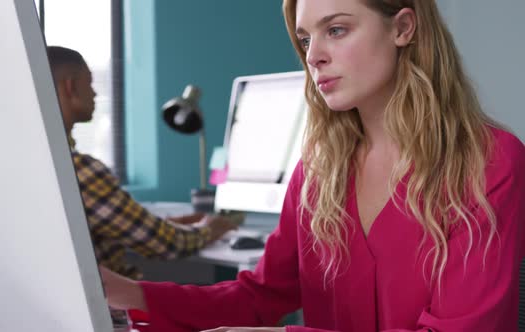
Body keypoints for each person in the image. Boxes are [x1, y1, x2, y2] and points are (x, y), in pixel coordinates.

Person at [99, 0, 525, 331]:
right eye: (305, 39)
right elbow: (260, 298)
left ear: (402, 28)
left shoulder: (489, 162)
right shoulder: (317, 173)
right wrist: (132, 293)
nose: (313, 55)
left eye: (336, 30)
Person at [46, 46, 238, 280]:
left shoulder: (42, 165)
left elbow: (122, 228)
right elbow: (167, 244)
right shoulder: (79, 171)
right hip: (119, 310)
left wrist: (169, 223)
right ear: (71, 87)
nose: (95, 94)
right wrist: (212, 229)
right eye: (90, 83)